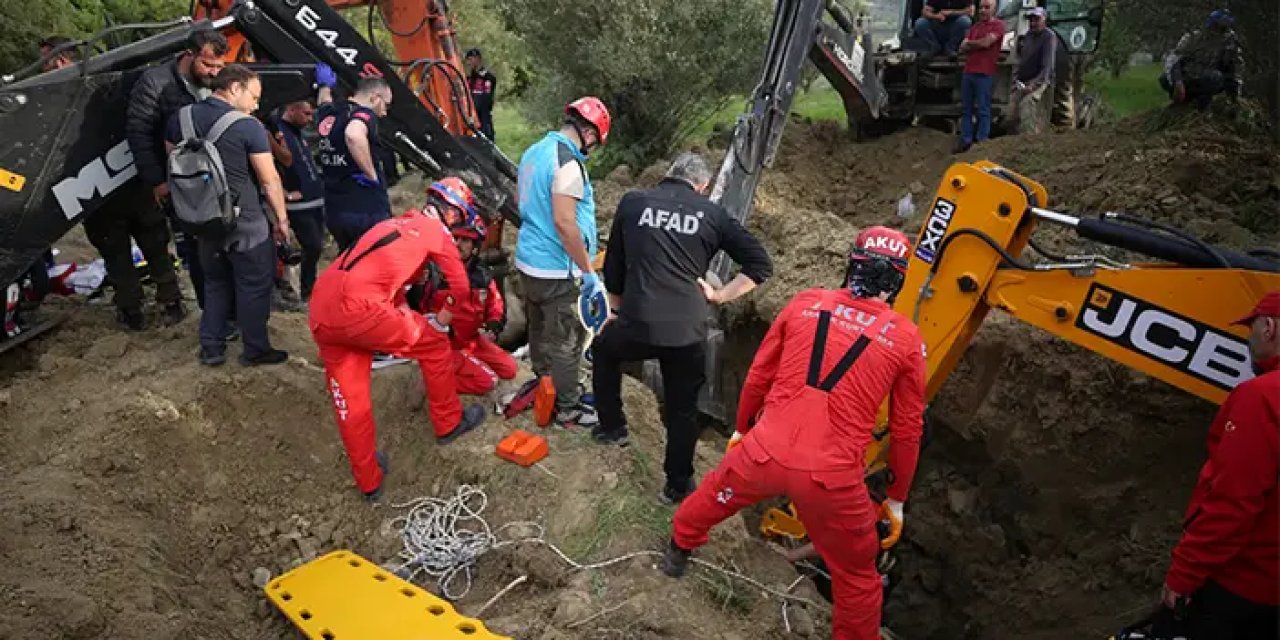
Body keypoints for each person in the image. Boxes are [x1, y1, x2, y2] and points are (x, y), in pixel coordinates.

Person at [660, 226, 927, 640]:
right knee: (858, 577)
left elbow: (758, 377)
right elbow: (908, 429)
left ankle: (677, 551)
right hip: (833, 479)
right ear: (899, 279)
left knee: (712, 497)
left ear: (851, 265)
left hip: (764, 451)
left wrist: (742, 431)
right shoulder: (906, 339)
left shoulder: (805, 303)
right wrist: (896, 499)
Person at [590, 152, 773, 505]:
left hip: (638, 322)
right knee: (682, 408)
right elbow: (760, 264)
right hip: (687, 332)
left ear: (667, 174)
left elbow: (614, 264)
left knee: (604, 350)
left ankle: (613, 428)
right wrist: (719, 295)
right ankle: (677, 485)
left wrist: (614, 311)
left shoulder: (633, 202)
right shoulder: (713, 214)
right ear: (702, 186)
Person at [308, 179, 489, 500]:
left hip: (322, 306)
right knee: (433, 344)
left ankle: (369, 479)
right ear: (453, 214)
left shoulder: (392, 226)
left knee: (351, 400)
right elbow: (460, 288)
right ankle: (448, 422)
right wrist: (443, 319)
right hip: (361, 308)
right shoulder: (436, 233)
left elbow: (390, 288)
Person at [1157, 290, 1278, 639]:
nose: (1249, 340)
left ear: (1268, 327)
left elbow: (1233, 503)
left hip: (1241, 586)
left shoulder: (1262, 398)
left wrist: (1183, 576)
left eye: (1251, 329)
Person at [165, 64, 291, 367]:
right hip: (244, 219)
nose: (256, 105)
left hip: (201, 219)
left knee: (215, 283)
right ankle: (255, 349)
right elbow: (269, 179)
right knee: (254, 284)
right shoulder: (248, 126)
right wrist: (282, 221)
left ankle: (211, 347)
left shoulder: (178, 119)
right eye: (255, 96)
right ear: (235, 87)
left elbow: (173, 164)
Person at [504, 97, 612, 428]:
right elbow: (566, 224)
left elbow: (524, 203)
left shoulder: (534, 152)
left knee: (539, 325)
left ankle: (544, 381)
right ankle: (569, 408)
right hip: (555, 267)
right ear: (591, 134)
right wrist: (587, 271)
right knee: (567, 338)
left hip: (529, 261)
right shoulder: (567, 164)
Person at [126, 28, 229, 314]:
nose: (213, 72)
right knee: (195, 251)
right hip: (180, 181)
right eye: (208, 64)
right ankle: (210, 311)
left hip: (217, 178)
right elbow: (139, 133)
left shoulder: (217, 82)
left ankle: (229, 309)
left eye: (220, 67)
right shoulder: (155, 83)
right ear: (189, 55)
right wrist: (158, 181)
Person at [418, 186, 517, 396]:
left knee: (510, 369)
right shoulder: (434, 271)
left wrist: (493, 326)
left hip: (472, 339)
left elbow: (496, 304)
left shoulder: (482, 275)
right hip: (446, 343)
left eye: (465, 240)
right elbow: (417, 308)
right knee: (487, 382)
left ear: (474, 246)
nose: (458, 244)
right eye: (456, 238)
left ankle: (456, 368)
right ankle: (434, 384)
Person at [314, 65, 395, 251]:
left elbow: (323, 101)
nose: (385, 113)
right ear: (375, 98)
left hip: (335, 210)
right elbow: (353, 134)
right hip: (364, 209)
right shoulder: (364, 113)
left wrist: (324, 86)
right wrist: (371, 174)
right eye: (386, 105)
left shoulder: (330, 113)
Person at [271, 99, 326, 302]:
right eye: (306, 114)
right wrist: (284, 193)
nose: (310, 119)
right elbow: (274, 164)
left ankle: (307, 288)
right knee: (312, 245)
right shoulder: (277, 131)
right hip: (297, 205)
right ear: (291, 110)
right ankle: (305, 290)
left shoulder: (297, 132)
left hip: (314, 199)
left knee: (316, 246)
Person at [1159, 10, 1244, 110]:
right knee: (1164, 78)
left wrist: (1234, 96)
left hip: (1211, 79)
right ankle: (1181, 100)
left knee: (1214, 77)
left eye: (1225, 27)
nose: (1222, 30)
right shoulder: (1193, 38)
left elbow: (1235, 68)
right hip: (1189, 77)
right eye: (1219, 26)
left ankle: (1202, 106)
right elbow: (1174, 60)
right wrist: (1178, 81)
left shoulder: (1229, 42)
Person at [955, 0, 1004, 154]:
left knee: (983, 109)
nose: (983, 10)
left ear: (994, 9)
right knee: (966, 109)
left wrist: (970, 44)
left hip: (985, 72)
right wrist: (975, 44)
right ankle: (966, 140)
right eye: (981, 7)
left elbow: (986, 43)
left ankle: (982, 142)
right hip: (968, 71)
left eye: (986, 7)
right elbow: (961, 47)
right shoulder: (974, 27)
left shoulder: (998, 26)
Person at [1009, 7, 1056, 135]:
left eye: (1037, 19)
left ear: (1044, 20)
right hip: (1023, 81)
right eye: (1031, 20)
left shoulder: (1049, 37)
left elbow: (1047, 67)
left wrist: (1034, 85)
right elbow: (1019, 61)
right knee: (1011, 110)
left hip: (1041, 79)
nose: (1033, 23)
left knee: (1027, 105)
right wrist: (1015, 81)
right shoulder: (1027, 36)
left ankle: (1029, 139)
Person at [465, 48, 497, 141]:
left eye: (471, 59)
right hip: (472, 116)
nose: (469, 63)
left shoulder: (488, 78)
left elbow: (486, 99)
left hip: (483, 116)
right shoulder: (469, 79)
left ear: (478, 59)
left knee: (486, 138)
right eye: (468, 60)